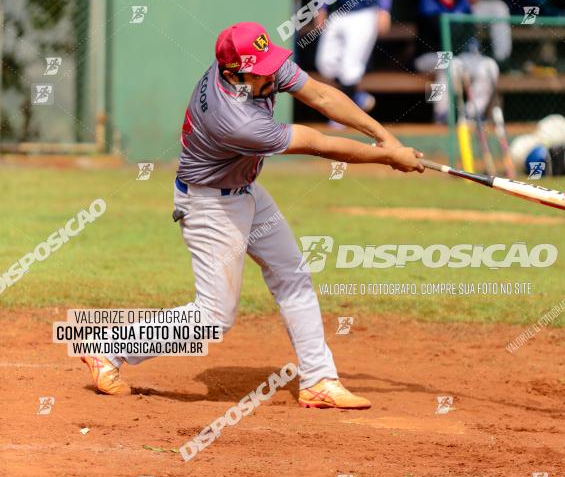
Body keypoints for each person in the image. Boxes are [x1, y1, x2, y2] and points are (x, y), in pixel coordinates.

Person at [82, 22, 423, 409]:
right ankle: (107, 350)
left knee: (292, 273)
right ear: (234, 74)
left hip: (245, 190)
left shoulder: (251, 65)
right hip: (210, 205)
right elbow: (318, 143)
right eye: (260, 69)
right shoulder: (236, 120)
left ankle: (319, 380)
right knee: (214, 318)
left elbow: (322, 96)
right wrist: (387, 157)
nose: (271, 73)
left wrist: (384, 136)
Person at [414, 0, 499, 123]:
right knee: (449, 63)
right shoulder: (427, 0)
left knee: (489, 66)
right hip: (428, 56)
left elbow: (468, 32)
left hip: (458, 56)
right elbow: (440, 33)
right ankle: (441, 115)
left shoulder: (462, 2)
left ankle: (471, 115)